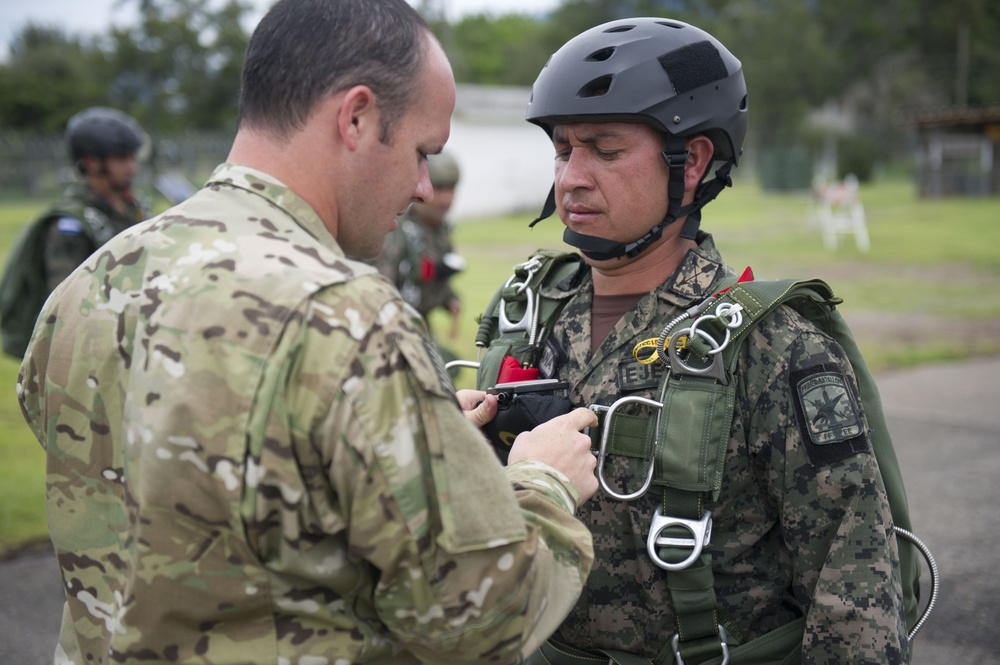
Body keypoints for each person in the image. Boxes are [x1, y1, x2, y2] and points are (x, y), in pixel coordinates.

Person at [16, 1, 599, 663]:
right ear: (355, 117)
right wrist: (540, 482)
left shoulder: (91, 281)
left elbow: (163, 489)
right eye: (419, 153)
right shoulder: (346, 318)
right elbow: (483, 620)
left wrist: (407, 449)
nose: (419, 187)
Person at [478, 17, 911, 664]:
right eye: (564, 150)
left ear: (694, 162)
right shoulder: (525, 314)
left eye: (606, 149)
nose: (571, 178)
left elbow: (854, 600)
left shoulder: (775, 350)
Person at [0, 106, 148, 357]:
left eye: (132, 157)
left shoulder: (132, 208)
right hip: (95, 350)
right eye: (121, 159)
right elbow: (66, 305)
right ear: (91, 163)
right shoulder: (70, 226)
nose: (131, 167)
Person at [375, 151, 466, 368]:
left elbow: (433, 274)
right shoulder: (397, 229)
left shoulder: (440, 230)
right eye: (439, 188)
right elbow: (382, 287)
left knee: (448, 367)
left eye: (450, 189)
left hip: (421, 322)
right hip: (394, 328)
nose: (445, 199)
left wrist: (449, 298)